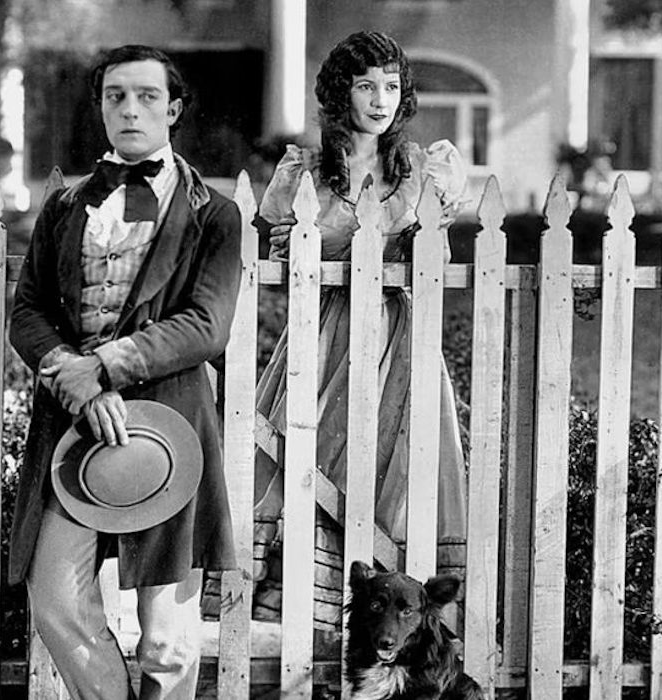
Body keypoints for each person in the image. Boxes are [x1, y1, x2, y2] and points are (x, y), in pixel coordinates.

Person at [8, 44, 242, 700]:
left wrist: (103, 369)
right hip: (74, 429)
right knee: (55, 595)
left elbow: (205, 325)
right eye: (116, 96)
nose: (129, 109)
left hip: (171, 428)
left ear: (173, 108)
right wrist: (74, 382)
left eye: (145, 96)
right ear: (101, 108)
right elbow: (27, 313)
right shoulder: (63, 208)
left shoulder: (214, 215)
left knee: (167, 633)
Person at [249, 31, 470, 620]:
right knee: (312, 461)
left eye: (392, 86)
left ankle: (396, 615)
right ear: (340, 92)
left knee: (397, 469)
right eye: (366, 84)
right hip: (328, 336)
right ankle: (297, 609)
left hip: (400, 336)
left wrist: (425, 238)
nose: (380, 99)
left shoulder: (424, 170)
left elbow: (434, 261)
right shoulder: (306, 171)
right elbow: (276, 259)